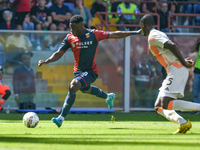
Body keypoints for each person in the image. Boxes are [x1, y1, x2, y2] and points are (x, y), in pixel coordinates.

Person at [38, 15, 142, 127]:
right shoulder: (69, 37)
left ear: (82, 25)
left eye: (74, 28)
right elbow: (59, 53)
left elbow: (114, 34)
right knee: (86, 89)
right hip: (78, 72)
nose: (72, 31)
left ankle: (61, 118)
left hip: (91, 71)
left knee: (73, 85)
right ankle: (108, 97)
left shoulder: (93, 34)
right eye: (71, 28)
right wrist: (47, 61)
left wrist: (134, 32)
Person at [139, 14, 200, 134]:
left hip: (176, 69)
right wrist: (182, 60)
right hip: (175, 68)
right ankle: (183, 123)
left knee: (165, 103)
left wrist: (182, 61)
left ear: (143, 25)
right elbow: (170, 48)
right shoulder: (158, 33)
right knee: (158, 106)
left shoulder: (153, 36)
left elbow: (172, 45)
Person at [190, 35, 200, 104]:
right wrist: (197, 41)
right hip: (198, 70)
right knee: (195, 90)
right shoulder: (199, 44)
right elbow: (192, 50)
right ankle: (197, 108)